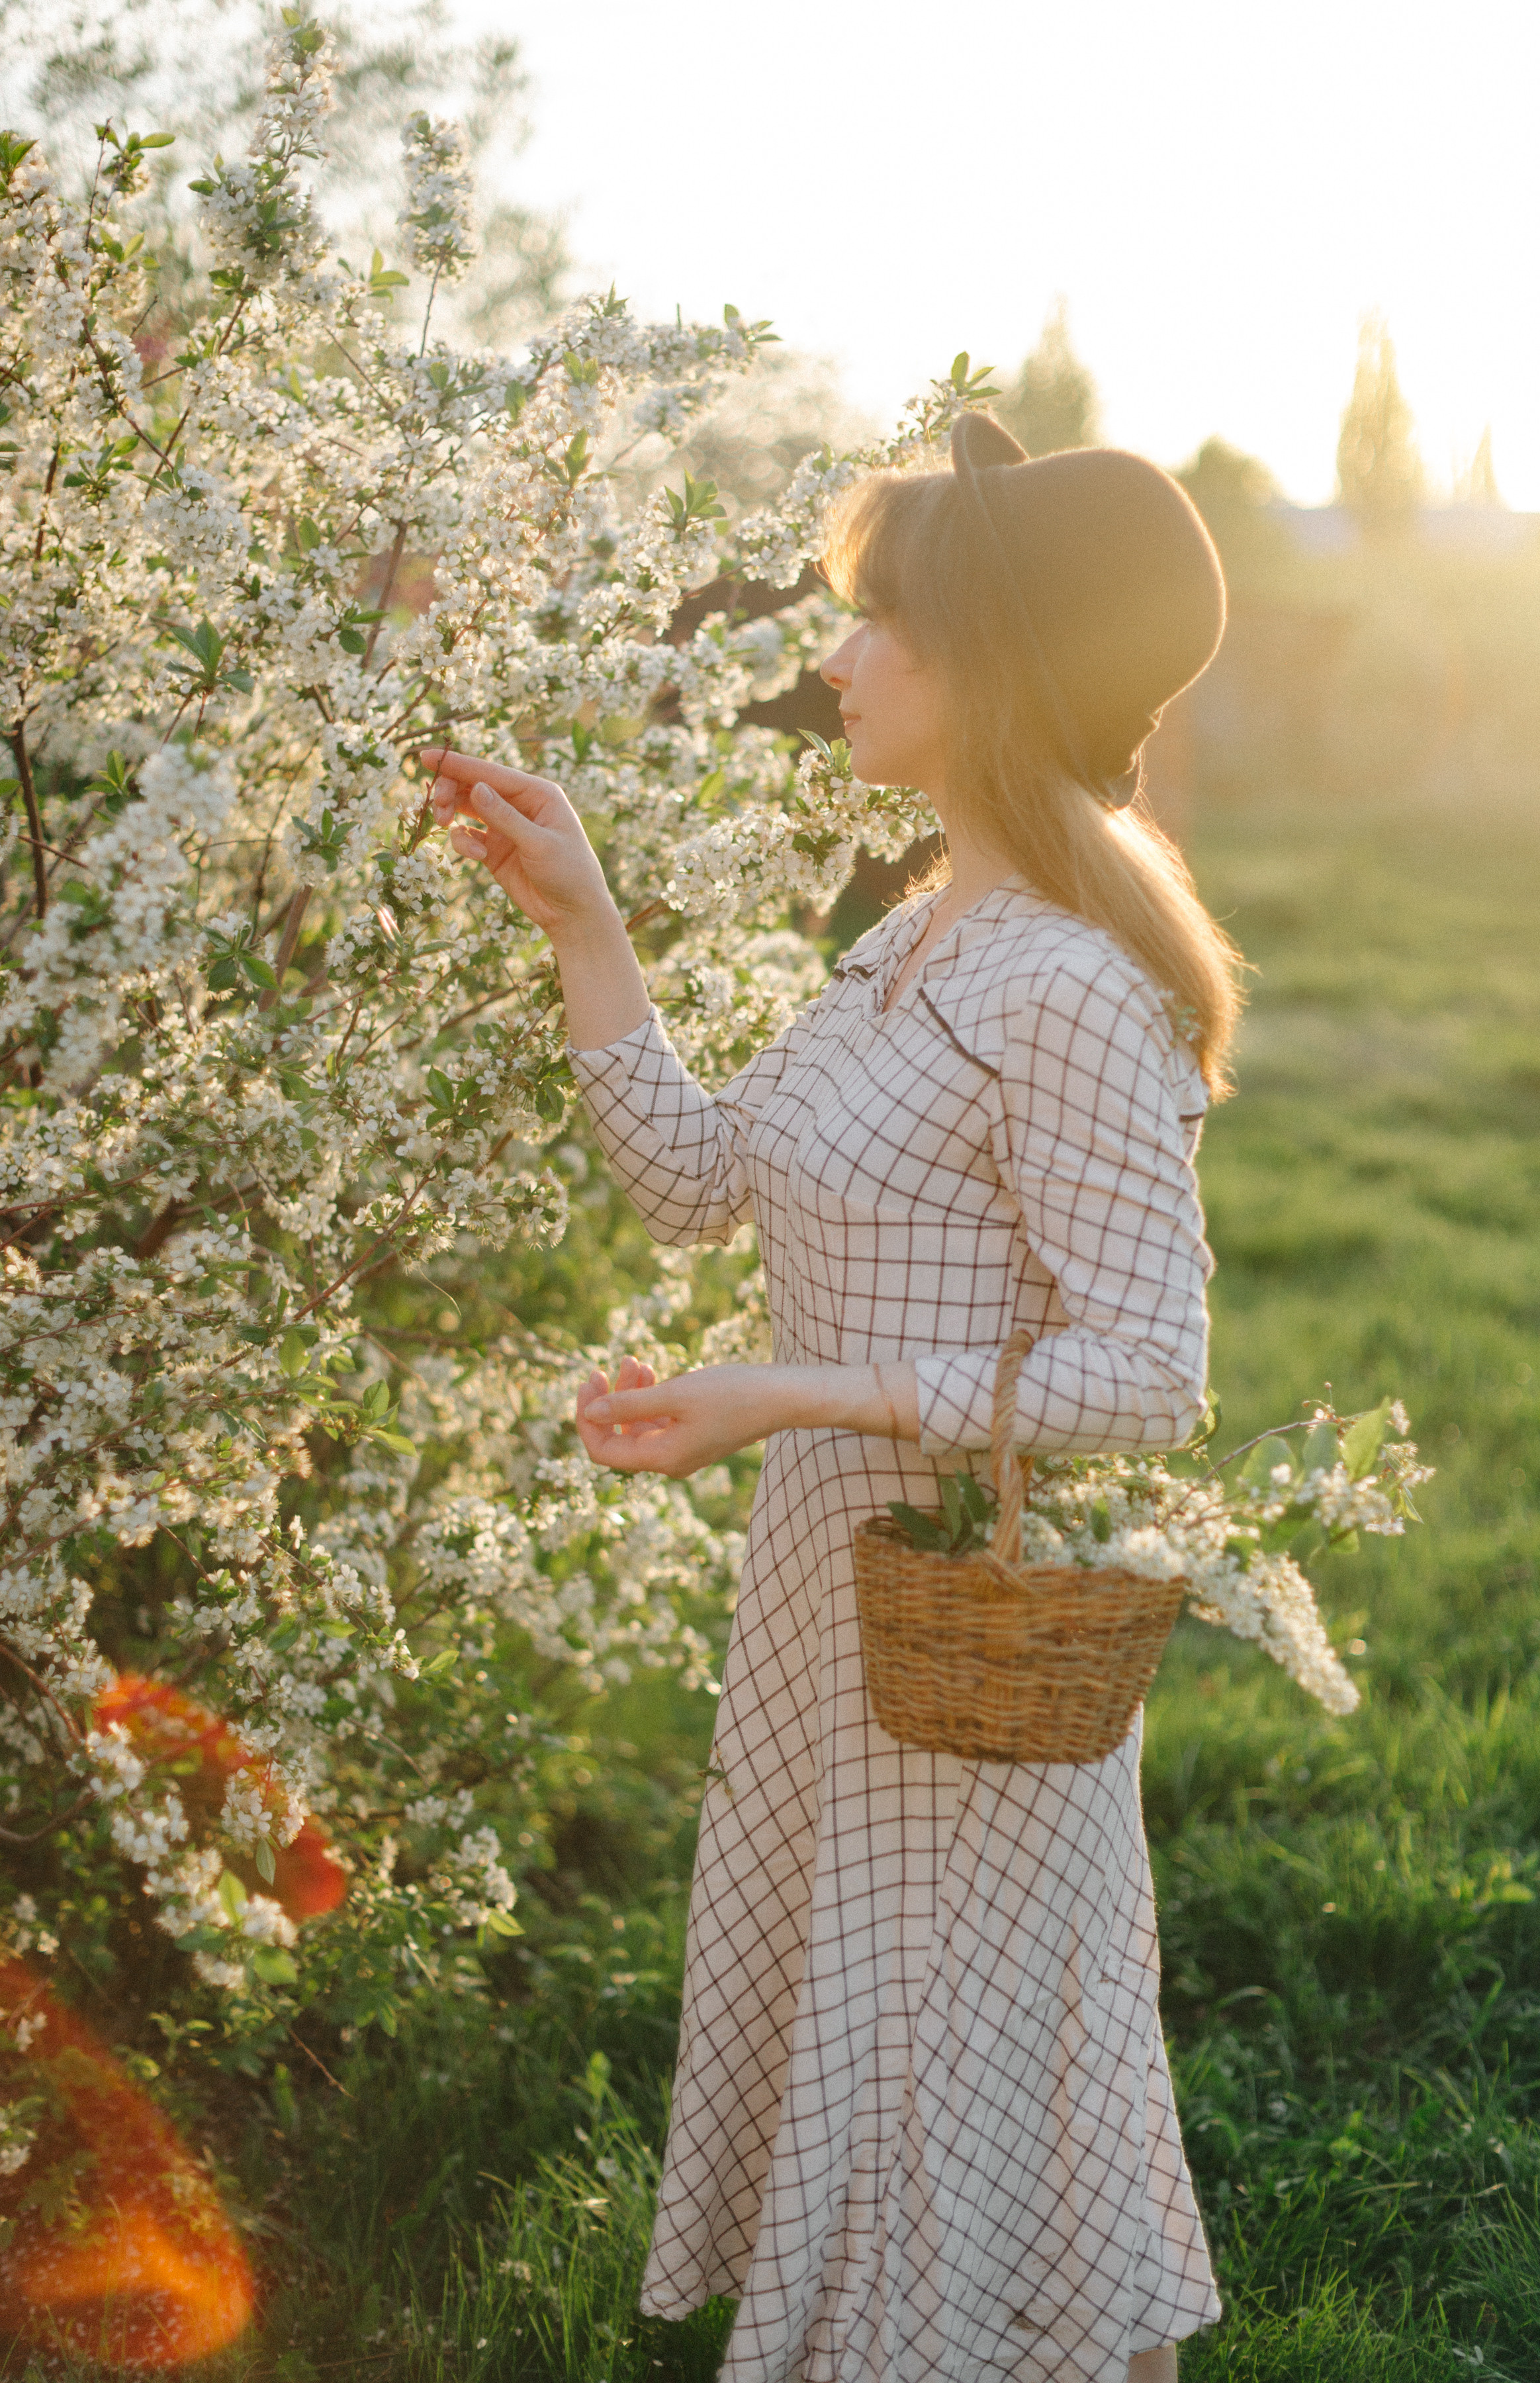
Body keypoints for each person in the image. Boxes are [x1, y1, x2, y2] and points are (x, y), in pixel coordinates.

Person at [424, 409, 1242, 2383]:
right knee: (920, 2092)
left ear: (995, 673)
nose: (842, 655)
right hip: (834, 1622)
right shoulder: (911, 939)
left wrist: (795, 1396)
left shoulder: (1062, 980)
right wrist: (584, 921)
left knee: (949, 2098)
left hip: (957, 1633)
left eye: (885, 622)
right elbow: (706, 1189)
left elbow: (1150, 1374)